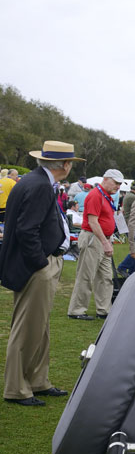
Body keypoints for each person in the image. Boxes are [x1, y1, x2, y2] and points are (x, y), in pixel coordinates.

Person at [0, 141, 81, 406]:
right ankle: (17, 389)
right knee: (27, 328)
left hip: (40, 263)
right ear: (65, 165)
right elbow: (27, 230)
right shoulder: (38, 186)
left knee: (39, 326)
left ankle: (37, 380)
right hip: (36, 265)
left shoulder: (37, 182)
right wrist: (41, 263)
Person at [67, 168, 124, 320]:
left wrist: (107, 240)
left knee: (105, 276)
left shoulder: (105, 196)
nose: (118, 187)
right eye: (116, 183)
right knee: (86, 275)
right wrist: (105, 242)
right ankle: (76, 310)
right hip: (94, 238)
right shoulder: (95, 195)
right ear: (105, 179)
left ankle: (104, 310)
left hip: (103, 238)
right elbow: (93, 222)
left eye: (119, 184)